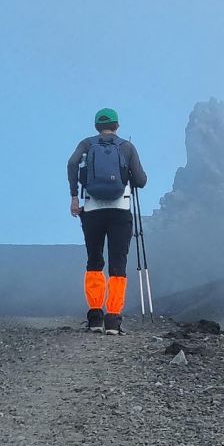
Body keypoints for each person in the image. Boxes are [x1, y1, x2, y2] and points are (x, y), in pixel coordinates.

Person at [67, 108, 147, 335]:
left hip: (92, 211)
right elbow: (141, 180)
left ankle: (95, 318)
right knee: (117, 263)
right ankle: (113, 319)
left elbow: (72, 164)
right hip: (120, 211)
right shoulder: (126, 147)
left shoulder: (86, 144)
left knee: (94, 260)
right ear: (117, 126)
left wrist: (74, 197)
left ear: (96, 127)